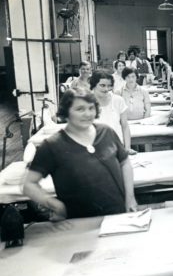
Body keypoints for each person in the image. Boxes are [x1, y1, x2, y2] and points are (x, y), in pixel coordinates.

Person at [23, 88, 136, 220]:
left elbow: (125, 162)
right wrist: (56, 205)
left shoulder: (106, 132)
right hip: (79, 221)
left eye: (91, 108)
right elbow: (29, 185)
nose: (87, 114)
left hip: (117, 215)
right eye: (80, 109)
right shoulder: (52, 145)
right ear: (66, 112)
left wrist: (130, 198)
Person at [90, 71, 133, 153]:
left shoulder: (118, 100)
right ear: (94, 85)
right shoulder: (85, 101)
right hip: (93, 148)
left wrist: (127, 148)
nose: (106, 89)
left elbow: (125, 126)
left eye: (109, 86)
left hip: (116, 147)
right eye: (102, 85)